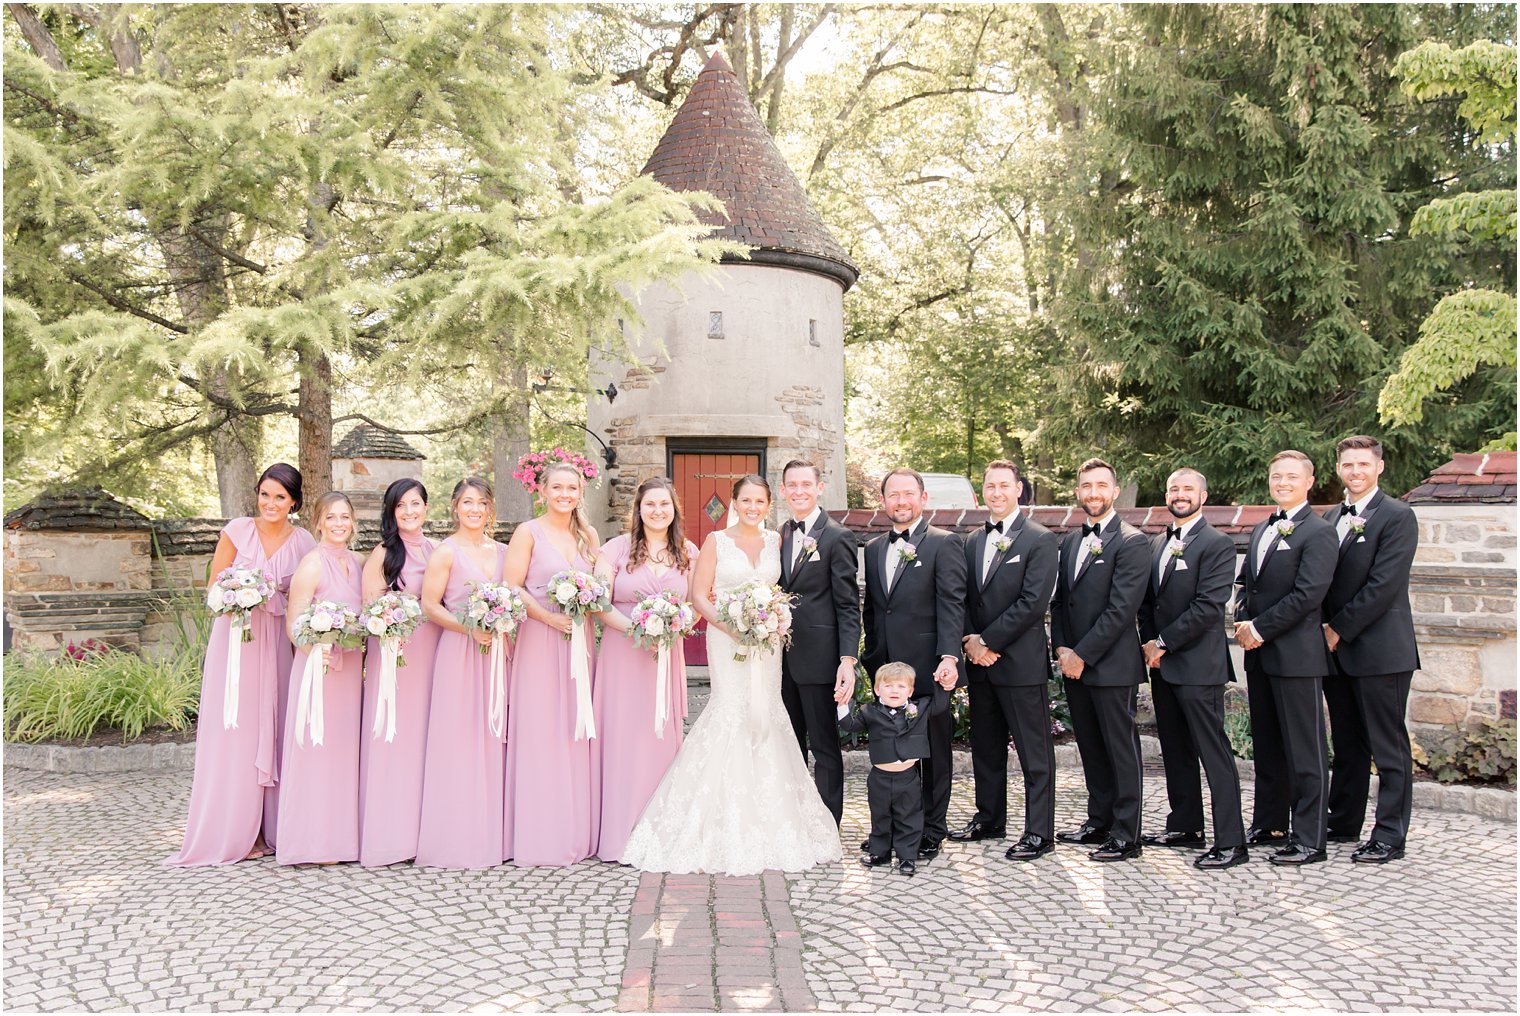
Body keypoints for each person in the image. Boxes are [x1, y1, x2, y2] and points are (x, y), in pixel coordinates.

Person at [621, 474, 841, 875]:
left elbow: (782, 592)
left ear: (768, 503)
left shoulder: (778, 540)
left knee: (768, 711)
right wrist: (733, 627)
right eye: (745, 501)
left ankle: (774, 816)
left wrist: (771, 619)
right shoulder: (716, 542)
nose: (753, 507)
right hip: (728, 640)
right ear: (734, 504)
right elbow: (699, 596)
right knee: (731, 711)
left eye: (760, 501)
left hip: (768, 643)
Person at [167, 463, 315, 866]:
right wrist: (239, 594)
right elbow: (214, 586)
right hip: (236, 643)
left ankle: (277, 828)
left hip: (278, 643)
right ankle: (233, 830)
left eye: (280, 497)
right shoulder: (236, 531)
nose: (270, 503)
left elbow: (311, 592)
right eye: (265, 494)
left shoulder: (303, 542)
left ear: (294, 502)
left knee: (277, 725)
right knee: (236, 731)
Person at [1138, 468, 1247, 870]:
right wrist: (1150, 642)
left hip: (1199, 666)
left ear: (1204, 495)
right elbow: (1147, 603)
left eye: (1188, 489)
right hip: (1163, 666)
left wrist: (1163, 643)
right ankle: (1185, 824)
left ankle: (1231, 841)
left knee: (1212, 752)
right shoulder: (1156, 543)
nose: (1180, 495)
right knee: (1175, 750)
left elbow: (1208, 607)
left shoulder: (1217, 544)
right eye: (1173, 489)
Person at [953, 459, 1060, 862]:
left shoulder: (1040, 539)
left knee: (1034, 752)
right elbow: (961, 596)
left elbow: (1033, 603)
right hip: (980, 663)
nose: (996, 493)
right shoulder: (971, 541)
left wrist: (989, 640)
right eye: (989, 486)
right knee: (986, 747)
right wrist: (970, 642)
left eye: (1004, 485)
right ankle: (990, 817)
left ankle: (1039, 832)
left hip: (1018, 662)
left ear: (1019, 489)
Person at [1234, 450, 1337, 866]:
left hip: (1296, 656)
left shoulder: (1319, 532)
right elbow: (1247, 585)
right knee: (1268, 743)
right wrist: (1242, 620)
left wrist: (1258, 629)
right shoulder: (1262, 528)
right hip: (1260, 656)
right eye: (1277, 476)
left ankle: (1310, 837)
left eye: (1291, 477)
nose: (1282, 482)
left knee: (1305, 748)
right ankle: (1270, 821)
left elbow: (1308, 595)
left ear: (1309, 482)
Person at [1321, 435, 1420, 864]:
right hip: (1335, 653)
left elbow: (1383, 586)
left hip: (1382, 651)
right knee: (1347, 743)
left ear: (1379, 467)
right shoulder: (1328, 517)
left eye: (1363, 464)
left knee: (1388, 747)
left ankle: (1390, 835)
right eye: (1348, 465)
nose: (1355, 472)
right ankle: (1343, 821)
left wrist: (1336, 629)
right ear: (1339, 470)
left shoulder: (1398, 516)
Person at [860, 468, 967, 860]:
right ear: (884, 501)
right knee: (892, 753)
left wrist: (949, 657)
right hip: (888, 671)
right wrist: (872, 657)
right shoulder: (872, 549)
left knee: (932, 752)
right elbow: (874, 608)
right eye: (893, 494)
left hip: (929, 669)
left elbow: (952, 604)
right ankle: (892, 831)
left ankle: (930, 831)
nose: (901, 501)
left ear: (923, 498)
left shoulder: (944, 544)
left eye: (908, 493)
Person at [591, 476, 699, 863]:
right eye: (650, 504)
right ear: (638, 510)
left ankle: (660, 834)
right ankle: (618, 834)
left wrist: (677, 625)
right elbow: (599, 605)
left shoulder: (688, 552)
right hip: (623, 655)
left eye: (664, 505)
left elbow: (700, 600)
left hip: (665, 657)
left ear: (674, 510)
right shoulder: (615, 549)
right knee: (622, 738)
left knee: (658, 738)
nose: (657, 511)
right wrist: (639, 628)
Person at [503, 462, 602, 867]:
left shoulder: (589, 534)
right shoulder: (528, 532)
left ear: (581, 492)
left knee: (574, 731)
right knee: (541, 731)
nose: (565, 494)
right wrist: (547, 617)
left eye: (572, 488)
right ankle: (538, 834)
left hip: (579, 641)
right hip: (541, 640)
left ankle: (574, 831)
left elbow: (600, 585)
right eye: (557, 487)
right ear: (541, 491)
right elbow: (511, 587)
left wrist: (588, 603)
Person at [1050, 458, 1150, 862]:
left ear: (1114, 491)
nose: (1093, 493)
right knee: (1091, 746)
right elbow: (1060, 603)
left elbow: (1121, 609)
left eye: (1101, 486)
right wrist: (1061, 648)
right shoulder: (1071, 541)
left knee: (1120, 749)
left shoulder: (1132, 541)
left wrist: (1082, 655)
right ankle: (1099, 820)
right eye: (1086, 486)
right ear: (1078, 492)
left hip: (1111, 665)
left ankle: (1127, 833)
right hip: (1073, 663)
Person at [414, 478, 507, 869]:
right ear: (455, 506)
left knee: (495, 738)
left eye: (481, 502)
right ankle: (454, 837)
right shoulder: (445, 552)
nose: (474, 509)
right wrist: (469, 627)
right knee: (458, 740)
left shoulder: (503, 551)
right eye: (467, 502)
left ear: (490, 509)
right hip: (459, 650)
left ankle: (493, 835)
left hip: (499, 653)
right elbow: (429, 605)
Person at [276, 491, 366, 865]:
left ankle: (341, 839)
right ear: (318, 522)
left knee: (343, 753)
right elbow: (293, 625)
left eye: (345, 517)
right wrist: (317, 644)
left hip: (349, 673)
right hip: (318, 669)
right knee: (315, 750)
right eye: (331, 517)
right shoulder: (311, 564)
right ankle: (308, 842)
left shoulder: (360, 562)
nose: (339, 524)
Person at [358, 479, 440, 867]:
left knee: (426, 740)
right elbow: (370, 607)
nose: (409, 511)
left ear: (426, 507)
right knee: (393, 738)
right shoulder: (383, 553)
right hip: (395, 656)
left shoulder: (439, 550)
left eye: (416, 504)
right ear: (391, 512)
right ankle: (390, 835)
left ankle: (425, 833)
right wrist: (395, 613)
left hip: (433, 654)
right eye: (401, 506)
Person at [778, 459, 861, 826]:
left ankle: (829, 824)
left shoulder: (838, 536)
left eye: (805, 485)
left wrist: (847, 660)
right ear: (782, 490)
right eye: (791, 485)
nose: (798, 491)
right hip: (780, 660)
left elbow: (848, 603)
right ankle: (795, 822)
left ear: (819, 488)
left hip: (821, 658)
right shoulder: (780, 533)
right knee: (789, 747)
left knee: (825, 747)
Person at [836, 662, 949, 877]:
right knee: (880, 816)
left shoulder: (920, 708)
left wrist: (943, 684)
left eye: (900, 686)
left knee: (909, 817)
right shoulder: (869, 711)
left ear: (911, 691)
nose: (895, 691)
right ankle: (880, 852)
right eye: (888, 686)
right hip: (879, 777)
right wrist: (842, 704)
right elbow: (850, 726)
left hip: (908, 777)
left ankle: (907, 856)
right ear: (878, 690)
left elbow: (941, 706)